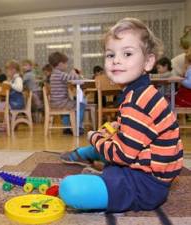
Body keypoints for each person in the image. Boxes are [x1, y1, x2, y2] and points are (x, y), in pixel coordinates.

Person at [59, 18, 183, 213]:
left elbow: (123, 155)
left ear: (148, 61)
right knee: (110, 139)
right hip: (146, 171)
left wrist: (95, 137)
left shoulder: (138, 100)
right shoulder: (140, 91)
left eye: (127, 53)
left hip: (144, 185)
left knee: (69, 189)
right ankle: (81, 155)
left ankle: (86, 156)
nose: (116, 60)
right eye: (110, 55)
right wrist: (118, 127)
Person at [48, 52, 85, 135]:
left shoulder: (53, 74)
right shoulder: (60, 74)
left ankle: (67, 127)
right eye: (65, 63)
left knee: (69, 105)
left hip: (55, 103)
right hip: (61, 103)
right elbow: (75, 79)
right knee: (81, 104)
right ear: (60, 64)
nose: (66, 65)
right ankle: (77, 127)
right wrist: (74, 73)